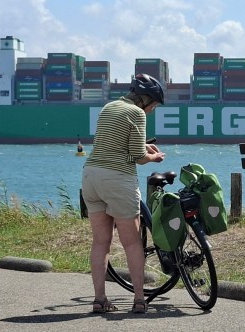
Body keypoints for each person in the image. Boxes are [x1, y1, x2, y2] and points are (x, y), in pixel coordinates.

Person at [81, 73, 166, 314]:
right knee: (131, 242)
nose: (152, 111)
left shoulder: (109, 107)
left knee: (100, 242)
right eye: (154, 105)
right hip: (117, 178)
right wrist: (154, 157)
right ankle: (139, 300)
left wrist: (142, 146)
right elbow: (138, 157)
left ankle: (99, 299)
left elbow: (111, 143)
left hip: (91, 175)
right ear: (145, 100)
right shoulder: (137, 113)